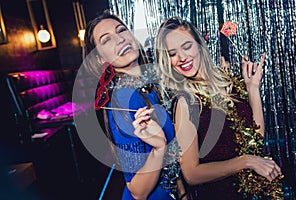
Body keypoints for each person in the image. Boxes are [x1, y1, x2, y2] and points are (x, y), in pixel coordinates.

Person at [155, 16, 282, 199]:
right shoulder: (186, 102)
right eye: (172, 53)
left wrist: (253, 88)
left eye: (186, 46)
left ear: (199, 44)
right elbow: (191, 174)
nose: (182, 58)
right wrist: (244, 162)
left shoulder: (230, 83)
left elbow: (256, 141)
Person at [82, 11, 181, 200]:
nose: (120, 39)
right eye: (106, 40)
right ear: (99, 59)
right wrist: (159, 149)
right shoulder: (124, 100)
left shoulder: (148, 86)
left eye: (121, 30)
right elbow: (137, 190)